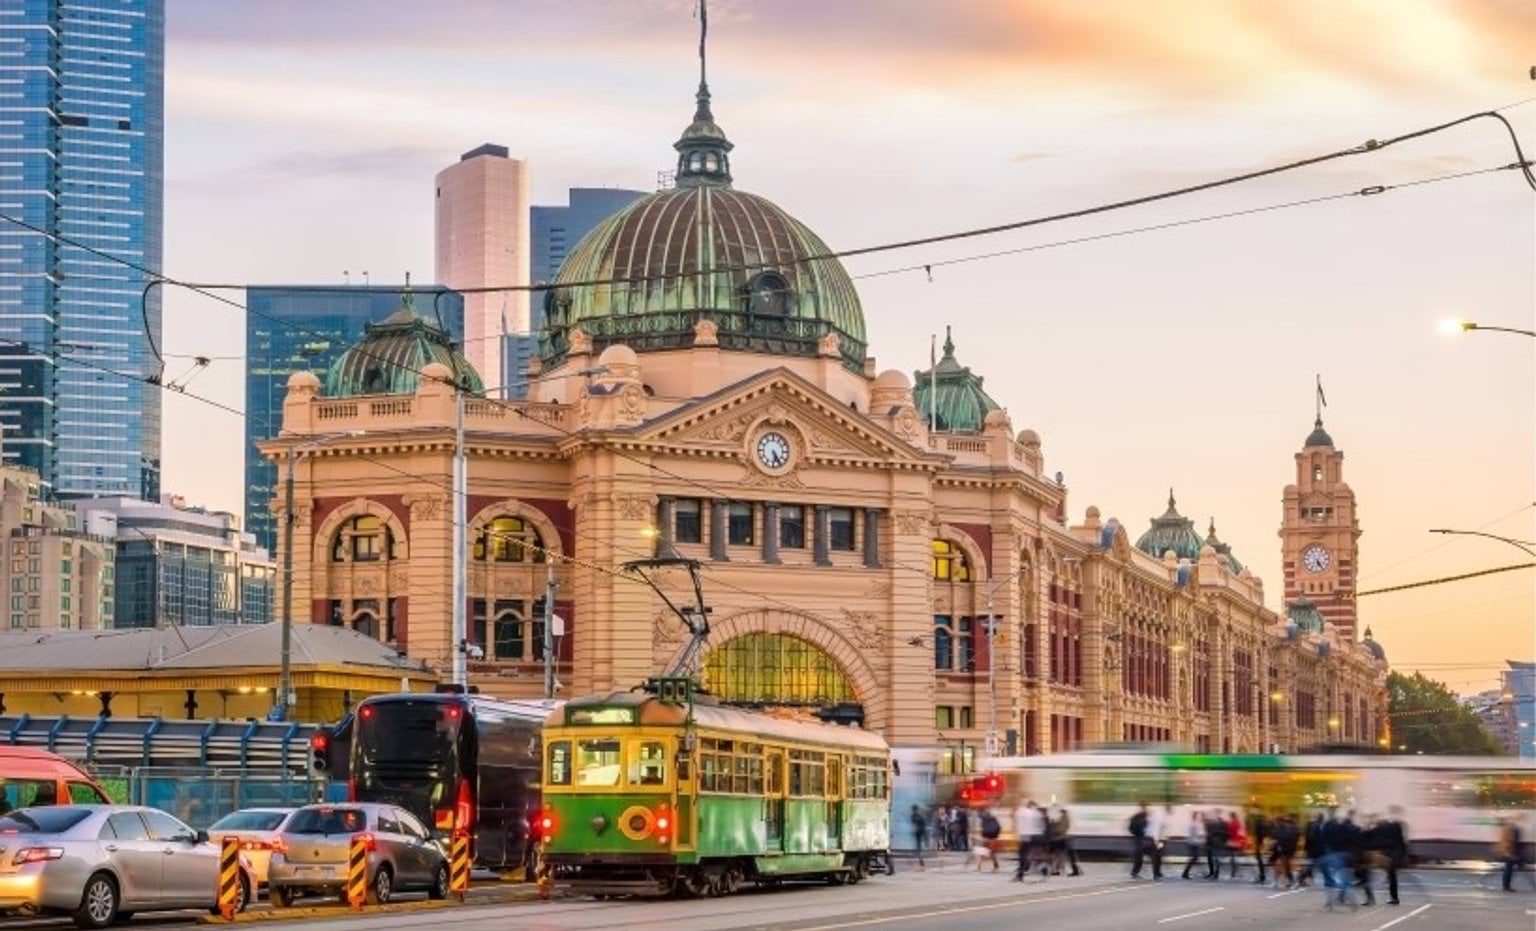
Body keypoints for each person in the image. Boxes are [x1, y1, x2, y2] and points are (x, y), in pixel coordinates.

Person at [1374, 807, 1408, 905]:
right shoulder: (1399, 824)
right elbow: (1402, 840)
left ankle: (1394, 897)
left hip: (1391, 852)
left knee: (1392, 874)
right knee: (1392, 875)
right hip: (1394, 852)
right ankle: (1394, 897)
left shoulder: (1392, 824)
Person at [1014, 800, 1045, 881]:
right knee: (1036, 853)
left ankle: (1020, 874)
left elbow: (1018, 818)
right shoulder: (1038, 813)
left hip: (1026, 836)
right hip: (1037, 836)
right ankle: (1043, 868)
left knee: (1022, 855)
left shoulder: (1022, 811)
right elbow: (1042, 826)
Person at [1270, 812, 1299, 889]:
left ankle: (1290, 881)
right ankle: (1288, 881)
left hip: (1283, 850)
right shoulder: (1294, 830)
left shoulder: (1282, 830)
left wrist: (1278, 845)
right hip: (1287, 850)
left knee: (1284, 866)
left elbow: (1278, 840)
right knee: (1284, 866)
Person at [1051, 806, 1082, 876]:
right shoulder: (1064, 817)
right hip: (1063, 838)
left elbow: (1063, 828)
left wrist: (1056, 830)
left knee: (1062, 855)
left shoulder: (1064, 817)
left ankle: (1074, 870)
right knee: (1063, 855)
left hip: (1063, 838)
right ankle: (1059, 870)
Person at [1298, 811, 1325, 886]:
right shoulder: (1316, 826)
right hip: (1315, 849)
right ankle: (1302, 877)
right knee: (1311, 864)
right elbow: (1312, 837)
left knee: (1311, 864)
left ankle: (1304, 877)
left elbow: (1309, 837)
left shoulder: (1313, 825)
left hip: (1313, 848)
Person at [1128, 802, 1152, 879]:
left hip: (1141, 838)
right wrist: (1139, 833)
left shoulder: (1142, 817)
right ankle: (1134, 872)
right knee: (1139, 856)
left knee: (1140, 856)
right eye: (1145, 807)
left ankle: (1135, 871)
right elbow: (1133, 828)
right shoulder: (1138, 817)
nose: (1146, 809)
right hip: (1139, 838)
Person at [1247, 805, 1270, 884]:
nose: (1252, 811)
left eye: (1253, 809)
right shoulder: (1259, 820)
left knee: (1260, 860)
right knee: (1259, 860)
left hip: (1259, 843)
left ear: (1257, 810)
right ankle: (1261, 876)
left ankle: (1262, 876)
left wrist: (1262, 844)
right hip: (1259, 843)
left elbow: (1263, 833)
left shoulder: (1259, 821)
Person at [1181, 809, 1206, 880]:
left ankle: (1186, 873)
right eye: (1198, 815)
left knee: (1195, 858)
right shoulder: (1194, 824)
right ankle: (1185, 873)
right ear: (1195, 816)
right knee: (1194, 858)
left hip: (1191, 842)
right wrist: (1202, 839)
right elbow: (1197, 834)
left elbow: (1190, 834)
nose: (1199, 817)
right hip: (1194, 843)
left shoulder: (1192, 823)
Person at [1204, 810, 1229, 880]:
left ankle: (1215, 874)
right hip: (1212, 843)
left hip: (1215, 843)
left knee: (1215, 859)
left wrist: (1223, 841)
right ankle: (1213, 873)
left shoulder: (1220, 823)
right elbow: (1208, 833)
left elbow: (1224, 833)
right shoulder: (1211, 822)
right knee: (1211, 859)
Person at [976, 807, 1002, 871]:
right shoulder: (992, 818)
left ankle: (979, 866)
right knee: (991, 852)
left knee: (984, 851)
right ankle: (995, 865)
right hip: (993, 837)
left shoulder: (984, 818)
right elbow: (998, 827)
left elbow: (985, 828)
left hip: (987, 837)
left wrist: (983, 836)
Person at [1224, 810, 1245, 880]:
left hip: (1231, 842)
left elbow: (1228, 832)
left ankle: (1233, 873)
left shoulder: (1230, 823)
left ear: (1231, 816)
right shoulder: (1238, 823)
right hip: (1237, 842)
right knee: (1235, 858)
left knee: (1232, 858)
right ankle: (1235, 872)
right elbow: (1240, 833)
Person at [909, 804, 929, 870]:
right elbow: (923, 824)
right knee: (918, 847)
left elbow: (914, 821)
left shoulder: (915, 815)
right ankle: (920, 861)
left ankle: (921, 861)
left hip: (919, 832)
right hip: (921, 832)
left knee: (918, 848)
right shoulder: (920, 815)